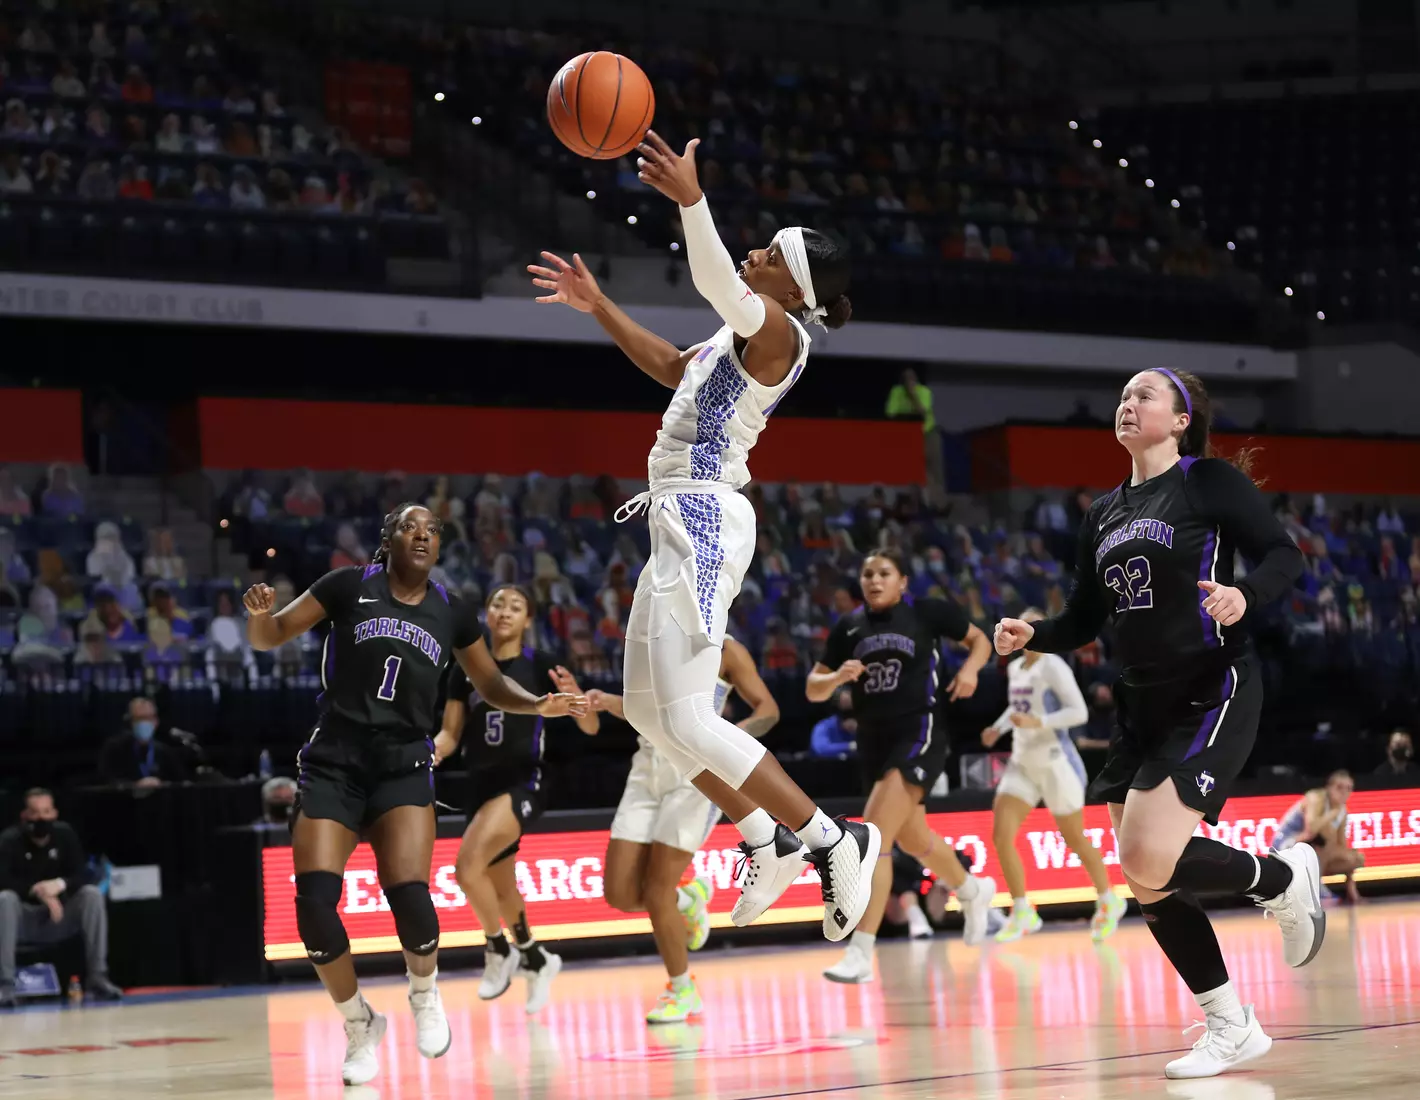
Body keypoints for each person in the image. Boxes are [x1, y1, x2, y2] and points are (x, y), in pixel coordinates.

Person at [529, 129, 881, 944]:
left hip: (705, 515)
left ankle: (833, 838)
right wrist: (599, 306)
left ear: (792, 289)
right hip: (676, 516)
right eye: (754, 248)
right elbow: (665, 365)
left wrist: (692, 200)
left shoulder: (779, 335)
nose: (752, 254)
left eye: (767, 254)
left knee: (686, 715)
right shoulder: (733, 340)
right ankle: (766, 837)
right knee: (655, 718)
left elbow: (715, 277)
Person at [993, 367, 1316, 1080]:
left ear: (1179, 419)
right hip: (1141, 700)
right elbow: (1083, 618)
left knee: (1146, 855)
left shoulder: (1208, 482)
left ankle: (1282, 878)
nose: (1127, 403)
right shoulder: (1102, 512)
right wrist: (1033, 634)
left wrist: (1243, 594)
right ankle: (1230, 1024)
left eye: (1145, 394)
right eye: (1123, 395)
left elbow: (1286, 554)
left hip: (1213, 682)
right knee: (1147, 880)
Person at [243, 503, 583, 1086]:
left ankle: (424, 997)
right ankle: (359, 1024)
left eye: (433, 531)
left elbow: (491, 684)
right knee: (315, 907)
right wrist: (260, 616)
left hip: (403, 763)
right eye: (411, 527)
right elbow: (272, 635)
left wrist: (536, 704)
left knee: (410, 896)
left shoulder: (451, 611)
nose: (422, 536)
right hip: (335, 761)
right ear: (389, 538)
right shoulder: (349, 585)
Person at [807, 551, 997, 983]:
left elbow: (980, 640)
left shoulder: (927, 612)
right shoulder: (849, 627)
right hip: (872, 740)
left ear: (903, 581)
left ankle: (861, 951)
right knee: (913, 837)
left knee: (873, 834)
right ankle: (972, 889)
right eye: (867, 573)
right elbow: (812, 689)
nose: (874, 580)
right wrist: (836, 678)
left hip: (919, 731)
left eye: (884, 573)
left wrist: (970, 670)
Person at [590, 635, 780, 1024]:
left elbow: (768, 709)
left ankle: (682, 990)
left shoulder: (726, 648)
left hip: (695, 775)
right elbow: (646, 708)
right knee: (620, 893)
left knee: (657, 891)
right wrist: (607, 702)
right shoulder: (652, 637)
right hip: (647, 770)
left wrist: (726, 740)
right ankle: (688, 901)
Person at [432, 584, 599, 1016]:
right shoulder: (463, 668)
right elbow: (450, 734)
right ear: (486, 614)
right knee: (501, 884)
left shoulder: (541, 666)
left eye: (516, 607)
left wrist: (577, 696)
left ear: (528, 620)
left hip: (524, 781)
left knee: (466, 868)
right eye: (497, 604)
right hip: (479, 784)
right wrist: (429, 751)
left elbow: (591, 729)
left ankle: (497, 950)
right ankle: (537, 958)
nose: (505, 612)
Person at [982, 608, 1126, 943]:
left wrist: (1039, 723)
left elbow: (1078, 711)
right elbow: (1017, 709)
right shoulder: (1017, 667)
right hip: (1022, 762)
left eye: (1032, 625)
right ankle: (1021, 910)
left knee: (1074, 838)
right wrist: (998, 728)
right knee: (1001, 835)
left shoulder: (1054, 665)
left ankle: (1109, 899)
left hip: (1055, 761)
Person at [0, 789, 123, 1007]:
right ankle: (5, 984)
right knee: (5, 899)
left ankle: (98, 977)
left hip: (60, 917)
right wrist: (37, 891)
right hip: (23, 920)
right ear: (24, 816)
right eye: (35, 813)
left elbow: (82, 873)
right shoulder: (10, 840)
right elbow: (3, 879)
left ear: (55, 813)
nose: (41, 819)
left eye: (46, 812)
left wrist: (58, 885)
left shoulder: (65, 834)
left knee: (91, 895)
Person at [1273, 770, 1364, 904]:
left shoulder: (1342, 812)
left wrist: (1352, 890)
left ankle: (1350, 893)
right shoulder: (1316, 798)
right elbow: (1311, 830)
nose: (1344, 792)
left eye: (1349, 788)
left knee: (1355, 858)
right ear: (1329, 788)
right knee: (1321, 846)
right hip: (1285, 843)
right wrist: (1331, 814)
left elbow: (1340, 845)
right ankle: (1313, 889)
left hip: (1310, 846)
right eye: (1339, 787)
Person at [98, 697, 187, 786]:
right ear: (130, 722)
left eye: (149, 718)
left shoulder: (164, 751)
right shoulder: (114, 749)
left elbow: (179, 784)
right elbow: (106, 782)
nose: (144, 723)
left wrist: (162, 785)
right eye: (139, 718)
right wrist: (135, 786)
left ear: (156, 722)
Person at [885, 368, 944, 492]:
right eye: (907, 380)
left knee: (935, 469)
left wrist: (913, 395)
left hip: (928, 433)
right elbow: (890, 414)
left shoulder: (924, 391)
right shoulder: (897, 392)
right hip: (908, 436)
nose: (910, 382)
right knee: (914, 471)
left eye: (912, 379)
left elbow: (922, 411)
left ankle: (940, 501)